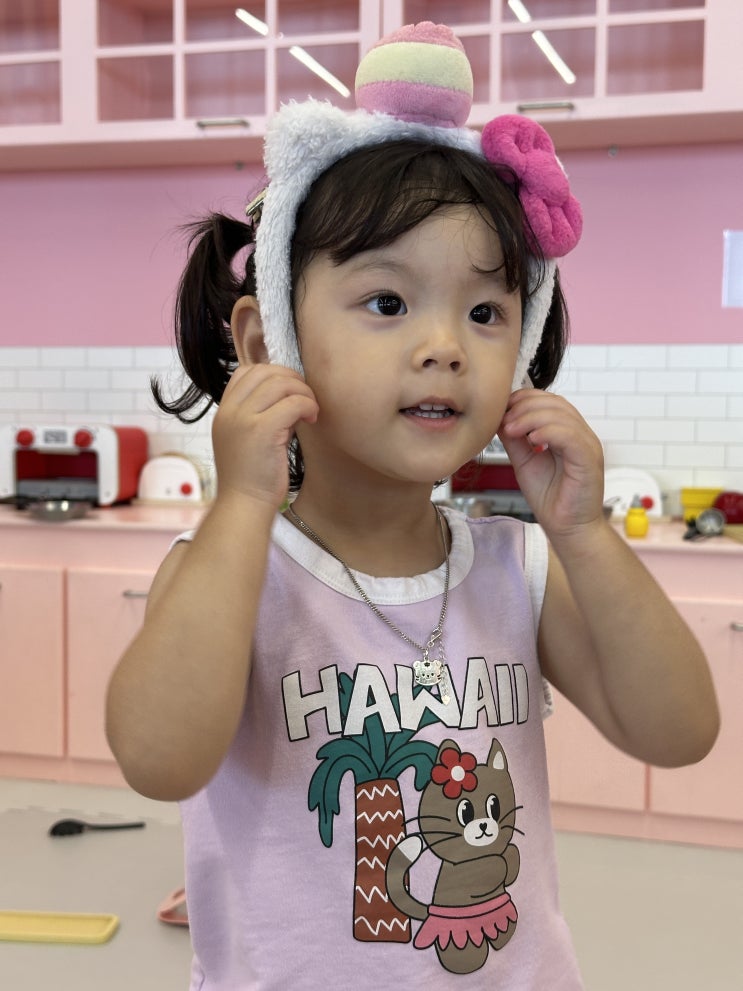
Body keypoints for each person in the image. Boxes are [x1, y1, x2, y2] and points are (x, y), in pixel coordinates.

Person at [106, 22, 719, 991]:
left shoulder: (516, 567)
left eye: (484, 311)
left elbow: (677, 732)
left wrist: (583, 530)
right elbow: (158, 759)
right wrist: (239, 507)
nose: (444, 346)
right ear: (268, 340)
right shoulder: (234, 568)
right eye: (387, 302)